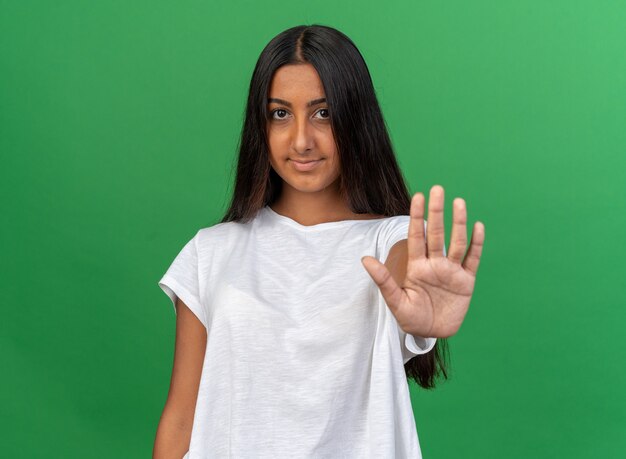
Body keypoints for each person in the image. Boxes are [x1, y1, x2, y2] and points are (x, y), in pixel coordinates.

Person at [153, 24, 485, 459]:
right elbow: (181, 418)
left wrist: (421, 304)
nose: (302, 140)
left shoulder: (391, 239)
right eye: (280, 114)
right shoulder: (210, 252)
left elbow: (406, 270)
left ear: (355, 119)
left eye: (323, 113)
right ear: (261, 124)